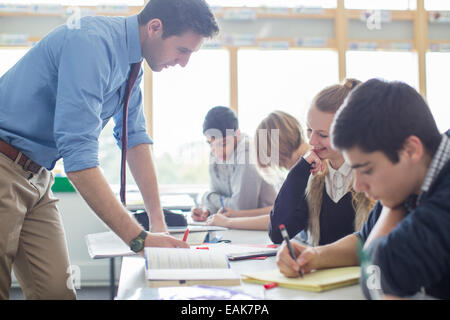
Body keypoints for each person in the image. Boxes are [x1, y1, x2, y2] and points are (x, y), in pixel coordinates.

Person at [0, 0, 218, 300]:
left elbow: (135, 139)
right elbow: (79, 160)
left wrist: (158, 225)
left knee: (56, 293)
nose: (183, 63)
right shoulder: (91, 44)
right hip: (4, 165)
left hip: (37, 175)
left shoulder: (132, 67)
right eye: (183, 51)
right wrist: (139, 239)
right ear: (155, 28)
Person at [277, 78, 450, 300]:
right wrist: (314, 256)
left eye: (366, 169)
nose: (358, 185)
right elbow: (365, 240)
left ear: (410, 150)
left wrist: (391, 206)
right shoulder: (414, 174)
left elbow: (379, 276)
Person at [269, 79, 374, 247]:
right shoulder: (314, 176)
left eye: (322, 135)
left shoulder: (373, 178)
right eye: (309, 130)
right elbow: (278, 232)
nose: (311, 140)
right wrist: (299, 171)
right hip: (321, 270)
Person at [206, 110, 310, 230]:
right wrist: (234, 215)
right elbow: (278, 210)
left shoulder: (305, 170)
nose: (275, 166)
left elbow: (279, 219)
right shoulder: (299, 167)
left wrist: (229, 221)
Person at [191, 106, 277, 223]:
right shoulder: (216, 153)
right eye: (211, 144)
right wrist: (207, 210)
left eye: (223, 143)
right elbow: (219, 198)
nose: (217, 151)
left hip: (262, 228)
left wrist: (208, 197)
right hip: (236, 227)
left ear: (238, 134)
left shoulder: (248, 155)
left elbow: (240, 208)